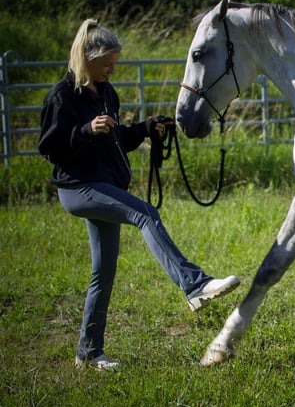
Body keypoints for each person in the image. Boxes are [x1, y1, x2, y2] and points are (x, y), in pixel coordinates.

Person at [39, 19, 240, 371]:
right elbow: (51, 147)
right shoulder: (63, 96)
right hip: (78, 188)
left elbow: (116, 139)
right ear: (86, 57)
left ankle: (88, 353)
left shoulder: (106, 92)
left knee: (104, 272)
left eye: (114, 64)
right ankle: (195, 285)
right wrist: (86, 130)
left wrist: (145, 129)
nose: (111, 69)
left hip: (105, 185)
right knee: (144, 213)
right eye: (107, 64)